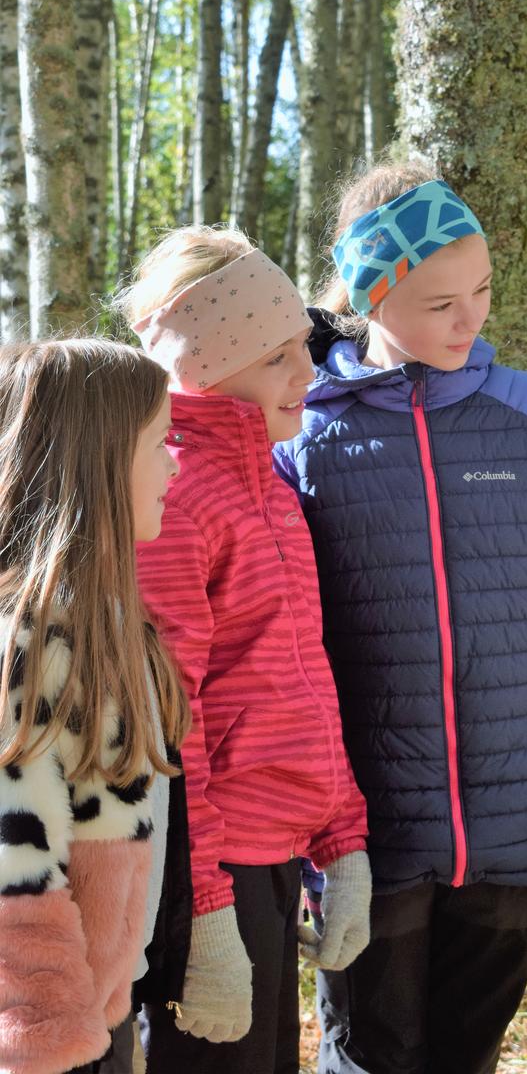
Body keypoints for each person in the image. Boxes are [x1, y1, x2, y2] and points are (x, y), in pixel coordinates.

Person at [275, 163, 527, 1074]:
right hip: (369, 838)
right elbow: (278, 652)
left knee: (468, 1056)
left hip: (516, 833)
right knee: (369, 1057)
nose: (470, 318)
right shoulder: (303, 437)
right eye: (441, 302)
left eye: (480, 291)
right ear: (371, 293)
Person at [116, 228, 370, 1074]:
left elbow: (306, 680)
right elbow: (169, 722)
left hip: (274, 860)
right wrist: (209, 915)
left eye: (305, 344)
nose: (308, 372)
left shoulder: (272, 485)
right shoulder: (174, 496)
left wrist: (343, 844)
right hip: (206, 874)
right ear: (204, 369)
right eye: (278, 358)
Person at [0, 338, 190, 1074]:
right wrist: (55, 1040)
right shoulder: (33, 640)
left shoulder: (106, 625)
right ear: (96, 461)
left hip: (98, 1015)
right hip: (47, 1040)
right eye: (159, 442)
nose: (175, 464)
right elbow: (16, 869)